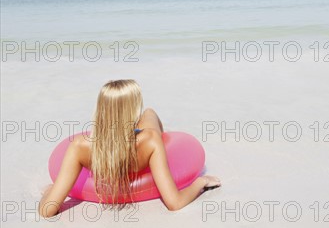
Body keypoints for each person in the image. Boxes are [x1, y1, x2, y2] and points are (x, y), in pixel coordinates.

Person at [39, 79, 221, 217]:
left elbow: (47, 210)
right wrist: (201, 182)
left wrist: (49, 191)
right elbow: (175, 203)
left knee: (147, 115)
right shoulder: (150, 140)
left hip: (114, 140)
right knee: (149, 113)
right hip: (139, 142)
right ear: (133, 109)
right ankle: (139, 124)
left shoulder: (80, 146)